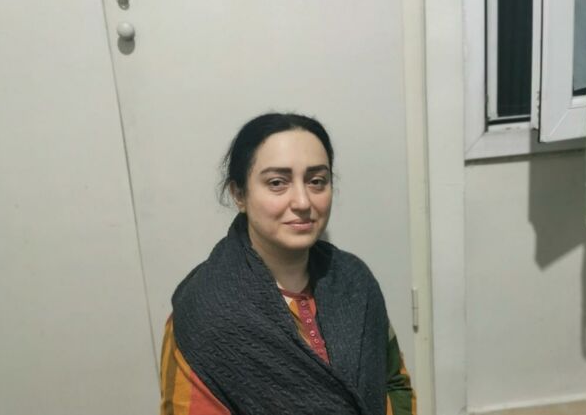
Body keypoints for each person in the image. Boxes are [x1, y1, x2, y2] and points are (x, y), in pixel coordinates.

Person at [160, 113, 416, 415]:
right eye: (277, 183)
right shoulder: (203, 313)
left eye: (317, 181)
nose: (303, 202)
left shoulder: (355, 282)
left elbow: (395, 383)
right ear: (239, 194)